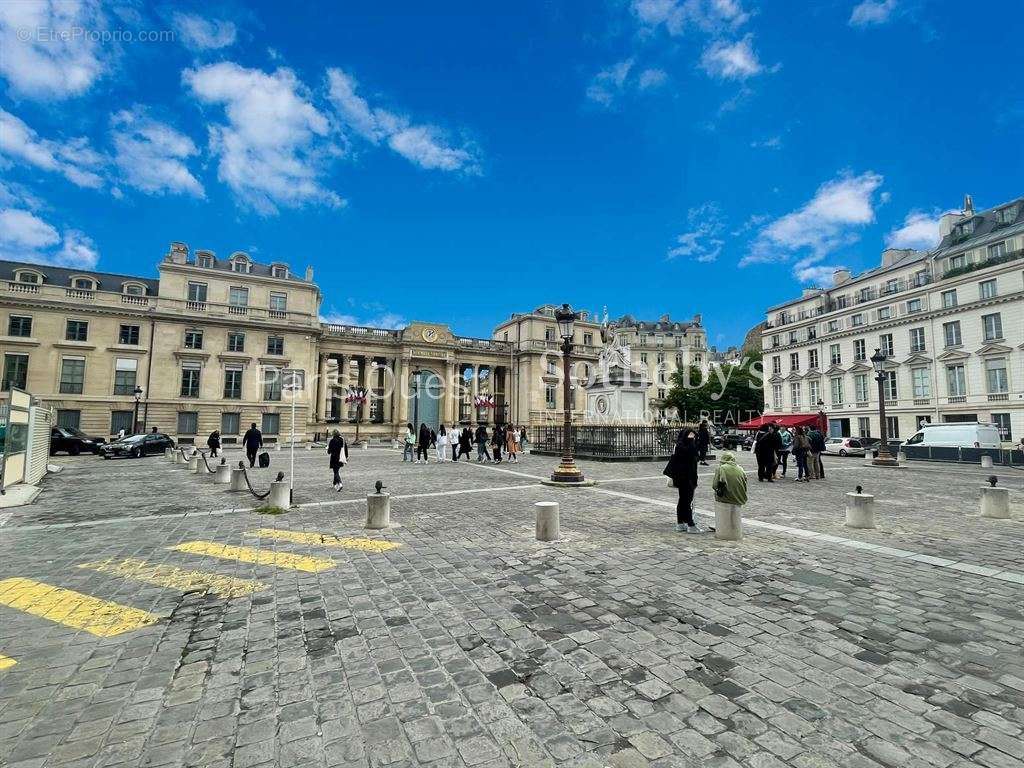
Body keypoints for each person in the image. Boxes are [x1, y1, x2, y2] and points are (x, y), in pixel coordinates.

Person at [663, 429, 706, 533]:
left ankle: (680, 523)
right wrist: (691, 441)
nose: (693, 438)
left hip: (681, 477)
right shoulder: (686, 447)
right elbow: (692, 456)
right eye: (692, 437)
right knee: (687, 501)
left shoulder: (679, 446)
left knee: (682, 500)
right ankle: (690, 524)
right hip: (687, 478)